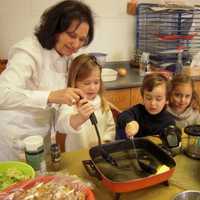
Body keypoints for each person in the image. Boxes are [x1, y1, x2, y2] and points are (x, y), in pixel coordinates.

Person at [0, 0, 94, 160]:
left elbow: (60, 117)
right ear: (55, 29)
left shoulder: (69, 59)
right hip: (13, 140)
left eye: (82, 39)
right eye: (72, 35)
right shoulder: (29, 51)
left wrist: (78, 118)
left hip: (42, 140)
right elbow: (3, 94)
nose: (76, 44)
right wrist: (50, 96)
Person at [56, 54, 115, 151]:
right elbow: (60, 126)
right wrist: (79, 118)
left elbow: (110, 127)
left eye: (96, 82)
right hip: (77, 155)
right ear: (74, 82)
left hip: (99, 153)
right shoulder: (69, 103)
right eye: (86, 83)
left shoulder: (102, 103)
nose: (92, 88)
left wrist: (106, 142)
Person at [116, 73, 175, 139]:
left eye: (158, 99)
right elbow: (122, 116)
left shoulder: (169, 121)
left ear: (167, 100)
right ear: (143, 97)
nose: (152, 103)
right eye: (148, 98)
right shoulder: (137, 111)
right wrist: (130, 122)